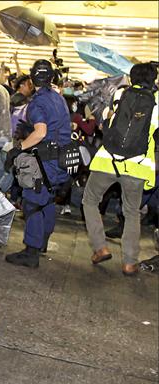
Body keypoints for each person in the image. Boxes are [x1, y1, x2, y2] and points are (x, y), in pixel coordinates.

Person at [82, 63, 157, 276]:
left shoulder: (121, 93)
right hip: (138, 165)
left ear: (132, 78)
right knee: (132, 212)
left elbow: (106, 121)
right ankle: (129, 262)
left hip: (108, 159)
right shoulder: (158, 101)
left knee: (90, 200)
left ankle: (100, 247)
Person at [5, 60, 72, 268]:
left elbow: (41, 132)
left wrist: (20, 148)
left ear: (32, 80)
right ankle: (42, 242)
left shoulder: (37, 103)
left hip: (44, 159)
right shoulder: (59, 99)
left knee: (32, 202)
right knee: (48, 200)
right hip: (61, 158)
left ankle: (31, 251)